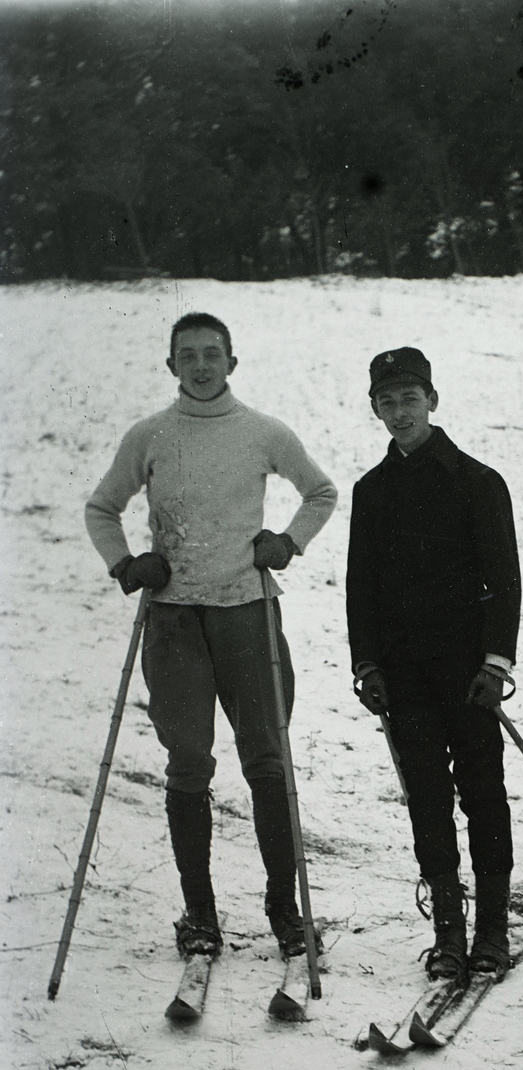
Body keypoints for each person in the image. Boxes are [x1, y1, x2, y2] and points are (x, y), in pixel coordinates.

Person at [84, 312, 338, 960]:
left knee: (266, 759)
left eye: (212, 354)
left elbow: (321, 491)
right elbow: (101, 507)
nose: (201, 365)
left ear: (232, 361)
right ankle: (200, 914)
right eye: (188, 355)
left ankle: (284, 910)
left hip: (246, 612)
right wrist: (124, 563)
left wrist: (286, 542)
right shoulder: (150, 435)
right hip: (174, 623)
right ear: (172, 365)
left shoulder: (261, 432)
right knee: (190, 762)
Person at [346, 347, 522, 982]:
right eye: (386, 402)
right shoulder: (372, 491)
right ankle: (450, 931)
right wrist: (366, 663)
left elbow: (504, 582)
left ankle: (494, 932)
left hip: (470, 673)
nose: (400, 412)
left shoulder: (478, 482)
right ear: (375, 410)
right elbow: (359, 587)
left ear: (432, 401)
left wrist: (496, 663)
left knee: (483, 794)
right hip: (405, 677)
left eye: (409, 399)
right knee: (425, 795)